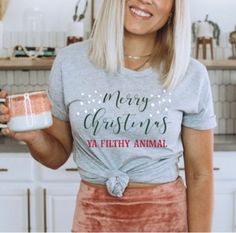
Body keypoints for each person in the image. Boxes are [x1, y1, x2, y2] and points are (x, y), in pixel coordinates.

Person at [0, 0, 217, 232]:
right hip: (92, 219)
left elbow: (200, 175)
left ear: (174, 7)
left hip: (165, 220)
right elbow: (57, 156)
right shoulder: (70, 62)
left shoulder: (191, 73)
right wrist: (33, 136)